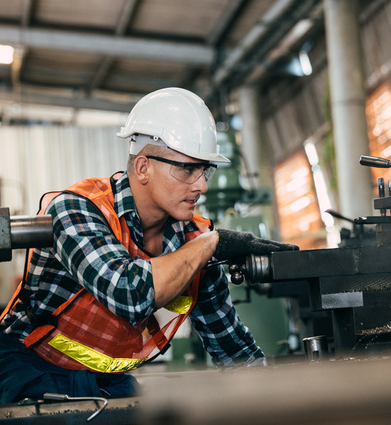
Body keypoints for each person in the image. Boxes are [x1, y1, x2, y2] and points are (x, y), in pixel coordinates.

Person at [0, 87, 298, 403]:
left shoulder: (195, 241)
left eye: (204, 170)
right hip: (25, 367)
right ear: (143, 167)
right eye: (187, 168)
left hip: (104, 381)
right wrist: (213, 244)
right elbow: (130, 294)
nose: (202, 186)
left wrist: (288, 400)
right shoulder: (77, 209)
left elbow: (234, 348)